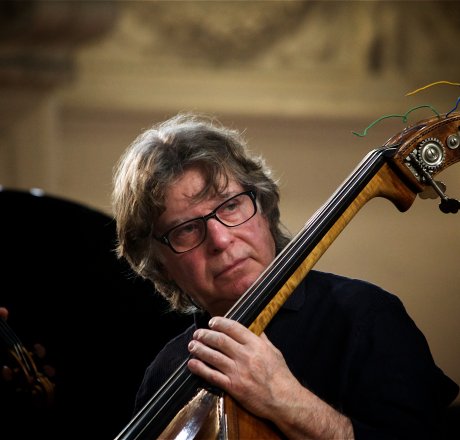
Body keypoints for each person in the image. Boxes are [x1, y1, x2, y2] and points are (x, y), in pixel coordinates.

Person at [111, 112, 458, 439]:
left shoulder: (366, 316)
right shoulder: (165, 373)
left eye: (230, 206)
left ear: (263, 207)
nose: (220, 240)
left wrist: (286, 400)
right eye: (186, 229)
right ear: (159, 263)